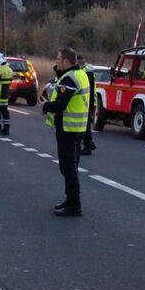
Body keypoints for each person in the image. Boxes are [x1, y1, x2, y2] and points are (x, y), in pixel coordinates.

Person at [41, 47, 90, 217]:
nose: (56, 62)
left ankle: (74, 205)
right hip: (77, 128)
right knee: (70, 167)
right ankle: (70, 200)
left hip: (68, 128)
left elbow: (60, 104)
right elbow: (60, 79)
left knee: (68, 168)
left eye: (58, 59)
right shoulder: (79, 74)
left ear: (66, 62)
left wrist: (46, 106)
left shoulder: (70, 79)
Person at [77, 55, 97, 155]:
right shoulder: (88, 71)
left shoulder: (86, 72)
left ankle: (88, 147)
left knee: (85, 126)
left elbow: (89, 89)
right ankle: (89, 143)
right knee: (85, 126)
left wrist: (91, 105)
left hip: (85, 103)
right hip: (88, 102)